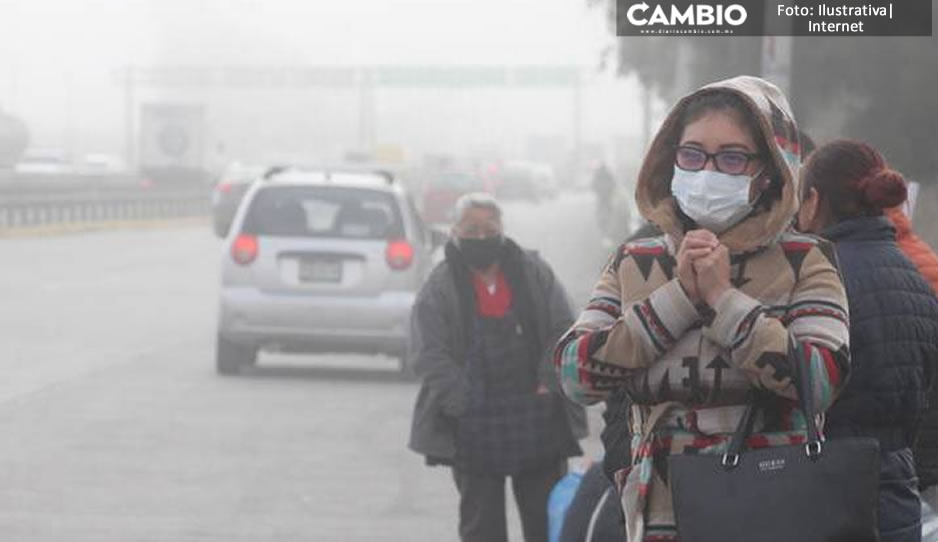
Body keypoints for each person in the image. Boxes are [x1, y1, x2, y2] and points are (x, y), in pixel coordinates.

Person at [554, 75, 850, 542]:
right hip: (661, 514)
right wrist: (677, 301)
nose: (708, 171)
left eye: (732, 158)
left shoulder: (805, 260)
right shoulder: (637, 262)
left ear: (770, 171)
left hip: (771, 506)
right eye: (692, 155)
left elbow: (821, 379)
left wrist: (722, 300)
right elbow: (575, 374)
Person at [408, 193, 588, 542]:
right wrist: (461, 399)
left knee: (545, 521)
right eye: (471, 229)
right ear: (455, 231)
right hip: (472, 423)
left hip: (535, 415)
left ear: (502, 230)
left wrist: (548, 381)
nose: (480, 236)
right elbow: (428, 353)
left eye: (488, 229)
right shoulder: (440, 285)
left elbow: (564, 327)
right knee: (481, 526)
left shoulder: (534, 271)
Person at [797, 139, 938, 542]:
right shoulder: (915, 278)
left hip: (826, 492)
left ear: (813, 199)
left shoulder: (818, 277)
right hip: (898, 495)